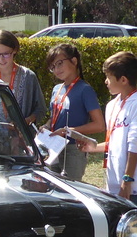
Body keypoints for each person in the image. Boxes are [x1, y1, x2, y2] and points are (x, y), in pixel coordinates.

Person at [77, 51, 137, 213]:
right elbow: (115, 142)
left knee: (134, 225)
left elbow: (134, 144)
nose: (105, 81)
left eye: (108, 77)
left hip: (135, 184)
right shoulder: (112, 105)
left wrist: (127, 180)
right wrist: (92, 147)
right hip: (114, 182)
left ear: (123, 80)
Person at [0, 30, 46, 153]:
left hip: (20, 145)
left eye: (6, 54)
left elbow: (40, 109)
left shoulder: (28, 76)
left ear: (14, 50)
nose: (1, 59)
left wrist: (25, 122)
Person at [44, 42, 104, 181]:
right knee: (52, 187)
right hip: (53, 147)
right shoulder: (56, 89)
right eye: (53, 66)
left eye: (60, 63)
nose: (56, 69)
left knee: (70, 188)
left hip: (73, 149)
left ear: (74, 61)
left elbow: (99, 125)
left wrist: (69, 131)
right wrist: (46, 126)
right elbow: (54, 116)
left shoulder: (85, 89)